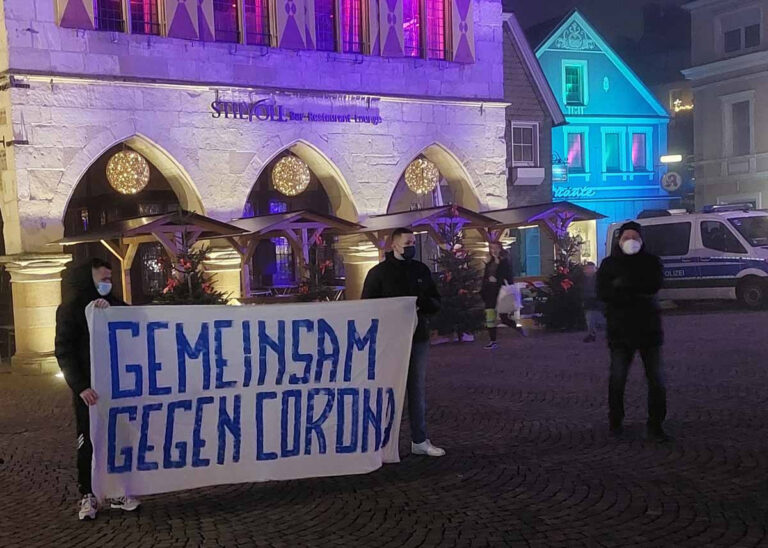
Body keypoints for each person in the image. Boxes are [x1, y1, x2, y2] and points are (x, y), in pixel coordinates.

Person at [55, 258, 141, 520]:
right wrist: (80, 386)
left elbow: (136, 321)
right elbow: (64, 350)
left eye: (109, 279)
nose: (108, 284)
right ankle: (88, 494)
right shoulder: (70, 310)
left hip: (116, 387)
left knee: (117, 438)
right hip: (89, 391)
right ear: (88, 279)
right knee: (88, 441)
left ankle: (115, 490)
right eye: (103, 279)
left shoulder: (112, 303)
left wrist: (112, 311)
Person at [361, 228, 445, 457]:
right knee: (386, 390)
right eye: (407, 243)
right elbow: (367, 306)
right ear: (394, 245)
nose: (411, 246)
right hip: (389, 341)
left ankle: (419, 440)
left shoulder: (421, 270)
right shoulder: (378, 273)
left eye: (413, 242)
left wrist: (423, 304)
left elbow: (436, 301)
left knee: (416, 389)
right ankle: (381, 443)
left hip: (417, 337)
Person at [597, 222, 669, 442]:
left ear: (641, 240)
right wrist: (627, 290)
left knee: (656, 379)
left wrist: (624, 285)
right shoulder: (609, 264)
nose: (630, 241)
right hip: (620, 330)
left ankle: (656, 424)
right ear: (619, 240)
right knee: (618, 378)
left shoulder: (651, 262)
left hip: (648, 329)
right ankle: (615, 420)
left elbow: (653, 285)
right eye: (626, 237)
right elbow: (603, 292)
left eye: (634, 237)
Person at [480, 242, 517, 350]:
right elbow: (485, 277)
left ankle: (518, 328)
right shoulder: (489, 262)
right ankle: (493, 341)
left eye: (496, 248)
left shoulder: (505, 262)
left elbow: (509, 277)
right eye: (492, 248)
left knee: (504, 317)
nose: (494, 250)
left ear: (500, 249)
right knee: (490, 316)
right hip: (490, 293)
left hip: (500, 292)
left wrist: (498, 280)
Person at [581, 262, 603, 343]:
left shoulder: (598, 278)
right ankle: (592, 334)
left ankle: (592, 334)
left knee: (593, 317)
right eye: (587, 268)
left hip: (596, 301)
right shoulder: (584, 279)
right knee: (590, 318)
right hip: (590, 301)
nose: (589, 270)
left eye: (591, 268)